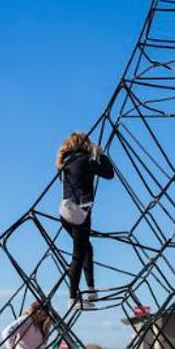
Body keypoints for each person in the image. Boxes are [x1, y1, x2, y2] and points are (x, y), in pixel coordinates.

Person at [56, 132, 114, 310]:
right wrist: (100, 155)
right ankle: (73, 298)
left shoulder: (65, 163)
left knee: (86, 247)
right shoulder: (86, 160)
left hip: (64, 212)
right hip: (80, 212)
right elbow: (109, 173)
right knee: (78, 254)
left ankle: (91, 290)